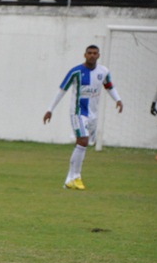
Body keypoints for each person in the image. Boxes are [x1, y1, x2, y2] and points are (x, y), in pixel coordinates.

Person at [43, 44, 122, 190]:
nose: (92, 55)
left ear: (98, 55)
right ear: (84, 55)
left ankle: (69, 180)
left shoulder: (103, 71)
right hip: (78, 112)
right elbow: (62, 90)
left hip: (93, 114)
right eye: (89, 53)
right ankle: (77, 177)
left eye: (95, 53)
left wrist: (118, 99)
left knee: (82, 144)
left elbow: (109, 86)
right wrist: (50, 109)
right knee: (83, 141)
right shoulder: (76, 72)